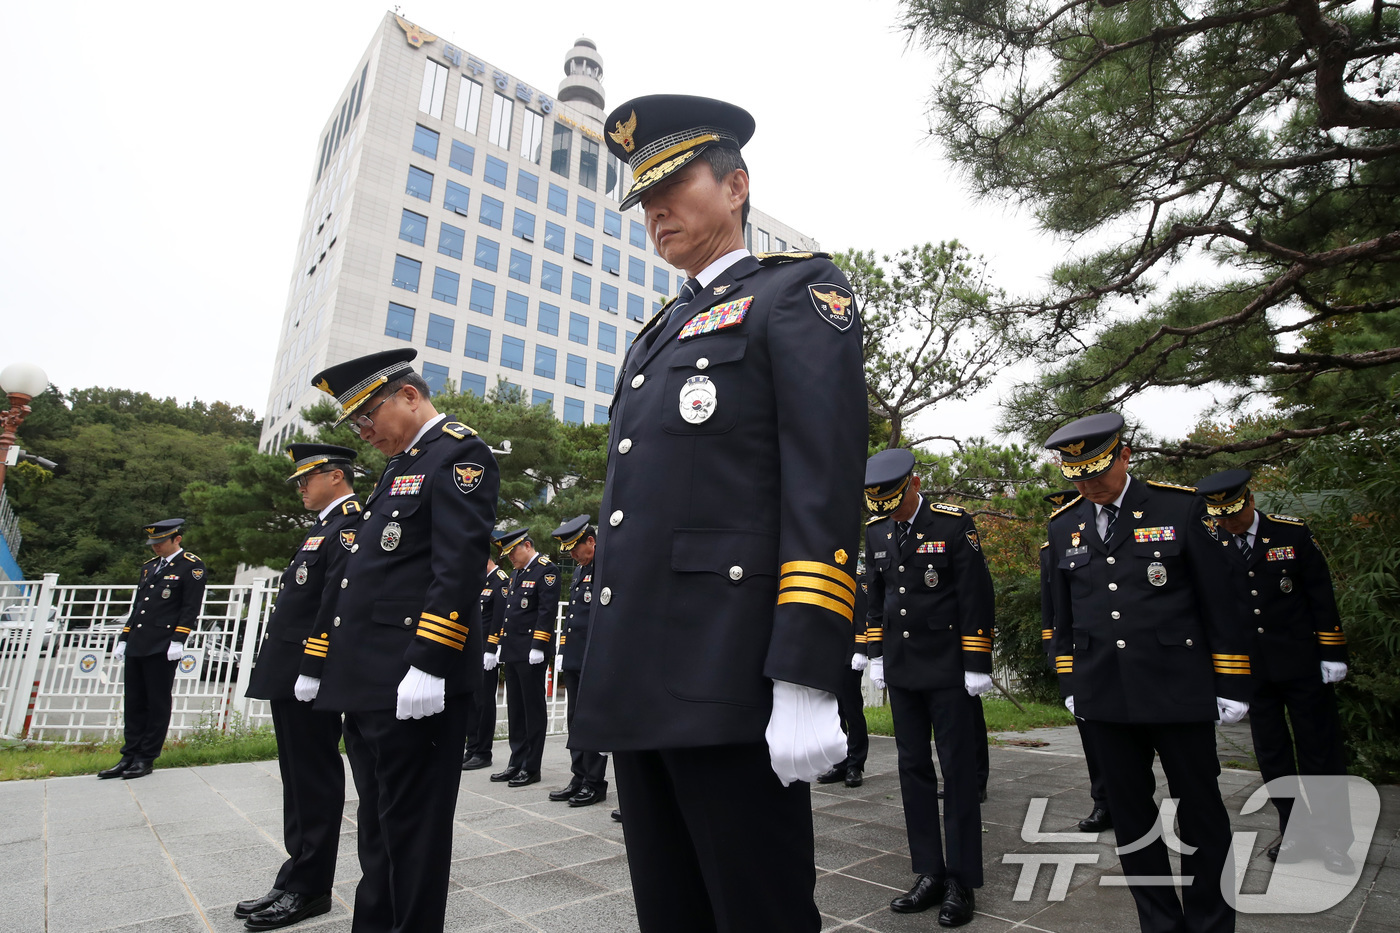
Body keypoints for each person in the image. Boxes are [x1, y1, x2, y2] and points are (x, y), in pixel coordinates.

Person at [570, 94, 867, 933]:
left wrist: (807, 673)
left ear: (736, 185)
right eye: (643, 197)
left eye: (675, 185)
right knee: (671, 913)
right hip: (643, 675)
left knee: (758, 912)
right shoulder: (657, 332)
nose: (656, 209)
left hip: (730, 671)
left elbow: (823, 482)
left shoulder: (796, 293)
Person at [307, 348, 498, 933]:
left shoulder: (460, 453)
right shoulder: (400, 465)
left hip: (412, 677)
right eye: (356, 426)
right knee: (377, 823)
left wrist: (431, 661)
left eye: (369, 417)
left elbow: (458, 565)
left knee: (413, 829)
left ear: (409, 395)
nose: (365, 433)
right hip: (367, 678)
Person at [1044, 413, 1250, 933]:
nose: (1089, 485)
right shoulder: (1064, 524)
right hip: (1104, 694)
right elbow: (1063, 619)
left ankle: (1210, 922)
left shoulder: (1180, 509)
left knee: (1201, 813)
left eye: (1097, 472)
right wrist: (1071, 682)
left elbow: (1220, 605)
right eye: (1078, 476)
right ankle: (1159, 923)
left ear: (1125, 455)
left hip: (1177, 689)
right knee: (1132, 819)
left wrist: (1231, 682)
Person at [1195, 468, 1353, 871]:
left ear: (1250, 500)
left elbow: (1320, 592)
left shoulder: (1291, 533)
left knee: (1320, 751)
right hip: (1252, 671)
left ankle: (1334, 840)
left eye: (1233, 514)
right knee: (1273, 755)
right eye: (1220, 517)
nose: (1228, 524)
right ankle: (1295, 830)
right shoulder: (1211, 542)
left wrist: (1332, 650)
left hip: (1301, 663)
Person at [863, 449, 995, 926]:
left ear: (914, 483)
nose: (889, 510)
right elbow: (876, 596)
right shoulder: (877, 530)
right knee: (912, 769)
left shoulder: (953, 524)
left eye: (895, 500)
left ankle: (961, 878)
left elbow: (976, 592)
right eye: (881, 504)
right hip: (902, 669)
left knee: (957, 771)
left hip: (947, 669)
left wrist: (977, 660)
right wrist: (875, 652)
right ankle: (927, 871)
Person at [236, 444, 361, 930]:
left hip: (310, 672)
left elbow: (335, 604)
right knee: (296, 776)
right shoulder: (324, 526)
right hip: (290, 668)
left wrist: (315, 664)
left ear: (334, 476)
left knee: (313, 777)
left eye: (307, 478)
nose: (301, 487)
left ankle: (311, 887)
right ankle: (294, 876)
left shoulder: (348, 524)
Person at [99, 518, 205, 780]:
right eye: (153, 543)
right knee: (134, 701)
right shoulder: (149, 568)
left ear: (176, 539)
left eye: (161, 542)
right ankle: (129, 755)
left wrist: (179, 639)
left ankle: (146, 757)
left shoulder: (191, 567)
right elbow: (139, 606)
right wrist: (125, 637)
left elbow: (190, 607)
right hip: (139, 641)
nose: (155, 547)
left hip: (163, 643)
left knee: (156, 702)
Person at [1039, 489, 1112, 834]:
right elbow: (1053, 609)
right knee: (1093, 736)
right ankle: (1103, 801)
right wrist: (1058, 658)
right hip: (1081, 655)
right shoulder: (1049, 549)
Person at [488, 528, 559, 788]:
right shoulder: (518, 573)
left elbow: (546, 610)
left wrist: (538, 645)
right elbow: (509, 613)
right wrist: (500, 643)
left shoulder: (546, 570)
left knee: (532, 709)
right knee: (516, 710)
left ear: (526, 545)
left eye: (512, 552)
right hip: (514, 649)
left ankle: (531, 766)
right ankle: (516, 761)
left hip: (531, 651)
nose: (509, 559)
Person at [548, 515, 608, 806]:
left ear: (592, 541)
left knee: (592, 719)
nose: (572, 555)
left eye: (575, 548)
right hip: (575, 657)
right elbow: (573, 618)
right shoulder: (580, 570)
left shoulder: (605, 569)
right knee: (574, 719)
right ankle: (579, 775)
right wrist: (563, 653)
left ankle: (594, 782)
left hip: (593, 657)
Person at [816, 564, 870, 788]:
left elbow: (863, 614)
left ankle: (855, 764)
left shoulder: (857, 578)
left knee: (851, 709)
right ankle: (839, 762)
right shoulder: (823, 573)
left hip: (849, 653)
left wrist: (861, 648)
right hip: (828, 653)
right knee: (833, 710)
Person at [463, 557, 511, 771]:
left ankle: (483, 751)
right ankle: (472, 747)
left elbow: (499, 619)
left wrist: (492, 649)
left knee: (483, 702)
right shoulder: (481, 581)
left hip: (487, 652)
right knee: (472, 702)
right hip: (474, 650)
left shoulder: (500, 582)